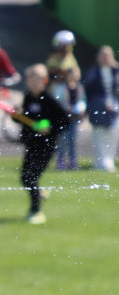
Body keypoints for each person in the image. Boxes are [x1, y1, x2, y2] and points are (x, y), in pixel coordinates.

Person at [19, 63, 73, 225]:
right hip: (32, 144)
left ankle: (36, 211)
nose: (33, 83)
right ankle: (39, 194)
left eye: (37, 80)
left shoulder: (49, 100)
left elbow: (65, 121)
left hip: (47, 146)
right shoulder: (28, 97)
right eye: (30, 79)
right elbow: (27, 120)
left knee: (31, 177)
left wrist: (48, 127)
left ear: (44, 81)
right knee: (24, 178)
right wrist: (16, 115)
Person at [82, 45, 119, 172]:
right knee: (98, 133)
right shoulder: (94, 72)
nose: (104, 58)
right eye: (102, 55)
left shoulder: (116, 71)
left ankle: (108, 160)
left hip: (115, 109)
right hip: (97, 107)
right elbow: (88, 90)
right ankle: (100, 160)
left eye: (107, 55)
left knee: (113, 133)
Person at [49, 66, 85, 170]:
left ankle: (73, 161)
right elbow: (57, 101)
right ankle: (60, 161)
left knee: (72, 140)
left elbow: (83, 100)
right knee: (62, 140)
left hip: (74, 117)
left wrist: (82, 108)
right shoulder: (61, 87)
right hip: (63, 117)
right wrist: (67, 108)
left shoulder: (79, 87)